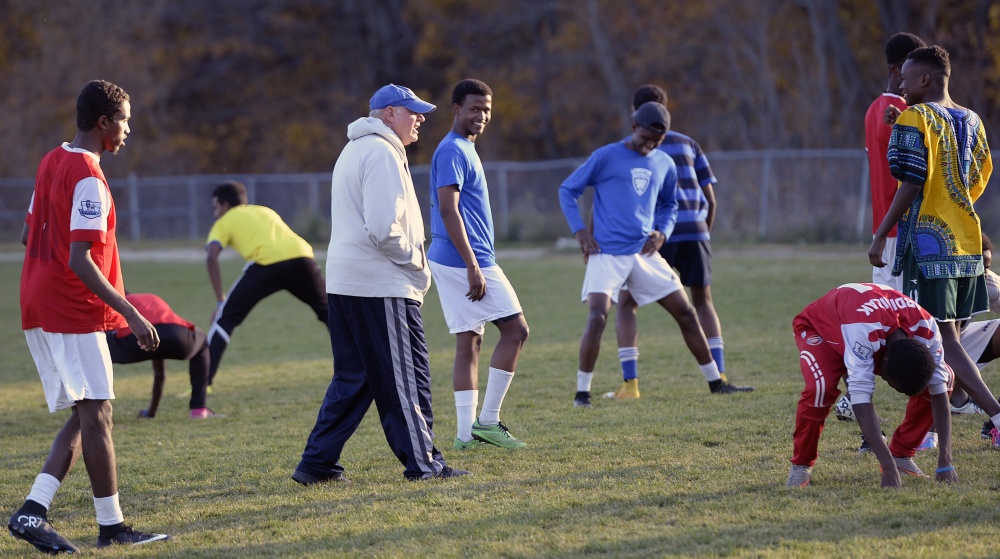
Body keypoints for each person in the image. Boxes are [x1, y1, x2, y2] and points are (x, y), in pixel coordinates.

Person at [10, 80, 170, 554]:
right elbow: (81, 260)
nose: (127, 130)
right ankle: (111, 527)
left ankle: (33, 512)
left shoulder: (51, 160)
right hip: (70, 308)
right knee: (98, 415)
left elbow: (26, 234)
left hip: (39, 300)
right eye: (124, 121)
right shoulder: (88, 177)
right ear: (103, 122)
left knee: (88, 413)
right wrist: (132, 313)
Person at [293, 84, 470, 483]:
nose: (420, 118)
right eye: (412, 111)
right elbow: (384, 229)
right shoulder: (381, 151)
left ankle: (316, 463)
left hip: (347, 283)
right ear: (389, 114)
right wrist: (417, 265)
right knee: (406, 378)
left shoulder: (355, 148)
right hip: (381, 285)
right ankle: (425, 464)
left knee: (354, 379)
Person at [866, 45, 1000, 443]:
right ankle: (930, 425)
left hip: (928, 243)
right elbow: (976, 176)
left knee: (943, 341)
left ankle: (995, 416)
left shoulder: (916, 116)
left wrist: (880, 233)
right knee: (949, 337)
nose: (901, 85)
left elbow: (911, 182)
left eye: (906, 78)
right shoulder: (972, 119)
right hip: (966, 240)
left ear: (925, 79)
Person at [559, 102, 723, 409]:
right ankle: (582, 394)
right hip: (605, 253)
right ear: (634, 127)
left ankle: (716, 382)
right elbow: (568, 190)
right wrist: (580, 231)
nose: (650, 145)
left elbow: (669, 205)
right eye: (646, 137)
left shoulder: (664, 163)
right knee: (597, 316)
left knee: (686, 312)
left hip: (644, 254)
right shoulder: (606, 156)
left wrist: (662, 232)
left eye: (657, 141)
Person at [610, 84, 752, 399]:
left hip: (653, 236)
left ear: (635, 113)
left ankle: (630, 385)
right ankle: (720, 375)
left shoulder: (631, 146)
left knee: (627, 304)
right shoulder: (690, 144)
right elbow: (711, 199)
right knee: (702, 302)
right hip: (695, 230)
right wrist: (703, 233)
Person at [428, 79, 529, 450]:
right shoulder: (453, 149)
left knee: (469, 341)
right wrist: (473, 264)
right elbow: (447, 209)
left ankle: (464, 435)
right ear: (456, 108)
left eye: (486, 109)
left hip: (451, 258)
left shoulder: (464, 147)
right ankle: (487, 422)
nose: (481, 116)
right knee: (517, 330)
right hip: (465, 260)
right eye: (474, 108)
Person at [787, 283, 956, 488]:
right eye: (895, 386)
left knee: (945, 379)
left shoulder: (926, 329)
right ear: (882, 362)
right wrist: (887, 468)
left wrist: (946, 463)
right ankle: (801, 465)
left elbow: (938, 390)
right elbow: (860, 401)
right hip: (821, 329)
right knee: (820, 388)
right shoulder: (864, 333)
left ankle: (901, 456)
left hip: (862, 326)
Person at [204, 180, 328, 386]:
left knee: (225, 319)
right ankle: (359, 368)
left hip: (266, 264)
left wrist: (220, 301)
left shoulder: (224, 222)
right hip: (303, 258)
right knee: (332, 314)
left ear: (225, 206)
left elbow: (211, 256)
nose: (215, 214)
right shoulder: (264, 210)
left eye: (216, 208)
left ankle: (201, 386)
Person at [865, 32, 926, 292]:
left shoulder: (873, 109)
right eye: (910, 67)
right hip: (903, 224)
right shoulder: (903, 114)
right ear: (895, 69)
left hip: (884, 225)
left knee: (891, 313)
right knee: (913, 314)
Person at [106, 292, 223, 419]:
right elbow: (160, 374)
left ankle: (96, 410)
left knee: (99, 351)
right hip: (175, 334)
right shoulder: (150, 297)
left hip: (130, 340)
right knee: (202, 341)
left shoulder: (119, 301)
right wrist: (151, 413)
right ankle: (199, 409)